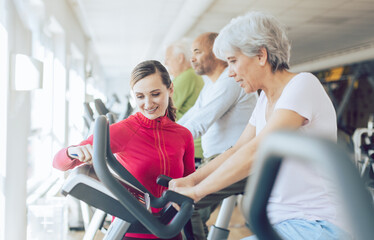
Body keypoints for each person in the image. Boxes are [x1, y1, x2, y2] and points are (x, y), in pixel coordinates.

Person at [170, 12, 351, 240]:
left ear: (261, 55)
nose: (231, 72)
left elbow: (259, 150)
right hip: (280, 226)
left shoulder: (302, 85)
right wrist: (191, 180)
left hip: (316, 224)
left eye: (233, 61)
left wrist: (197, 192)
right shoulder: (265, 99)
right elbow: (237, 150)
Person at [53, 60, 195, 240]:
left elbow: (191, 183)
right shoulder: (124, 130)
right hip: (132, 232)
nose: (148, 103)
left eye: (155, 94)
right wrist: (73, 152)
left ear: (170, 90)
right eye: (140, 96)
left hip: (171, 231)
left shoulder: (183, 135)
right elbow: (58, 162)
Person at [177, 32, 258, 239]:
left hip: (235, 160)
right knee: (183, 207)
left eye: (197, 52)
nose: (192, 58)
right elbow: (189, 118)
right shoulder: (210, 86)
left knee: (186, 207)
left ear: (215, 53)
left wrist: (166, 143)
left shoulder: (229, 82)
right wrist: (161, 135)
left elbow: (199, 123)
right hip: (217, 160)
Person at [164, 39, 205, 164]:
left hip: (191, 146)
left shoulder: (186, 77)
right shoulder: (190, 76)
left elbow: (161, 109)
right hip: (191, 143)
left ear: (180, 58)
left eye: (168, 59)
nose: (165, 62)